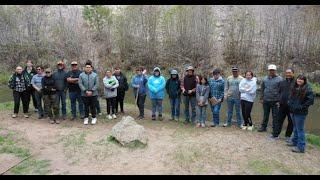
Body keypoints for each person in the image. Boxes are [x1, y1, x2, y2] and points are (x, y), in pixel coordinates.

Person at [288, 75, 314, 153]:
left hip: (301, 113)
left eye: (301, 79)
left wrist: (301, 107)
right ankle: (294, 141)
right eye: (298, 79)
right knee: (295, 127)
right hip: (293, 111)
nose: (299, 80)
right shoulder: (295, 87)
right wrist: (289, 103)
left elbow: (310, 101)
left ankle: (301, 147)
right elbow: (291, 98)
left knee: (300, 129)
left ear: (304, 81)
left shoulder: (308, 89)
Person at [258, 64, 283, 139]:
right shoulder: (265, 78)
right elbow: (262, 88)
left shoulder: (280, 79)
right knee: (265, 115)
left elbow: (282, 91)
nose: (271, 71)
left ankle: (275, 131)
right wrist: (261, 98)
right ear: (268, 71)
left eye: (273, 70)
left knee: (275, 117)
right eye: (270, 70)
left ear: (275, 70)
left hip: (275, 101)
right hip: (266, 100)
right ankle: (263, 127)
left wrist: (280, 101)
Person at [272, 68, 295, 141]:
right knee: (279, 120)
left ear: (293, 74)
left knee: (291, 122)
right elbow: (278, 92)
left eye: (289, 73)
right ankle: (275, 135)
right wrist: (278, 101)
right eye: (287, 73)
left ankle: (288, 136)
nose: (288, 74)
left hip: (292, 106)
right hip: (282, 105)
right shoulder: (282, 82)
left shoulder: (296, 83)